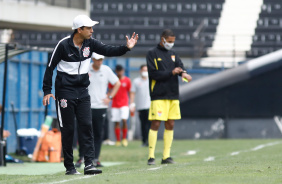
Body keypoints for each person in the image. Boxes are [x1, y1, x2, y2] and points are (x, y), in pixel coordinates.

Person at [42, 15, 138, 175]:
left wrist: (126, 48)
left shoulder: (90, 43)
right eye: (89, 28)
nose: (92, 31)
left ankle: (89, 164)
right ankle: (70, 167)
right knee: (68, 129)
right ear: (79, 30)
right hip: (65, 92)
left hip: (83, 92)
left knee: (87, 126)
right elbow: (50, 67)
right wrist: (47, 91)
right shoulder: (63, 45)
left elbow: (108, 50)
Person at [146, 29, 192, 165]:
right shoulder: (152, 54)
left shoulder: (173, 54)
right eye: (169, 41)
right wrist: (172, 72)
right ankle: (151, 156)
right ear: (163, 39)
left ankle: (166, 156)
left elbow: (181, 67)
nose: (171, 44)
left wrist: (184, 74)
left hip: (173, 94)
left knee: (170, 123)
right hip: (158, 95)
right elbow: (154, 74)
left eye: (173, 41)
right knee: (155, 123)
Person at [75, 53, 120, 168]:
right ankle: (82, 157)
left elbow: (117, 83)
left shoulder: (106, 70)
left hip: (100, 107)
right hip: (86, 106)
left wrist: (109, 97)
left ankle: (95, 158)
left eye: (101, 60)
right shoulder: (85, 68)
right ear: (93, 59)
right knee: (84, 132)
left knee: (98, 133)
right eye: (97, 60)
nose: (99, 62)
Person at [109, 65, 131, 147]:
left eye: (121, 71)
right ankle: (118, 140)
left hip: (124, 104)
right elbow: (110, 91)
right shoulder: (113, 81)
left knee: (124, 120)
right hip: (115, 104)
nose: (120, 72)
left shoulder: (127, 80)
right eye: (118, 71)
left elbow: (130, 92)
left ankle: (124, 138)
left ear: (123, 71)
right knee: (117, 122)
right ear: (116, 72)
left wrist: (131, 103)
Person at [130, 64, 151, 147]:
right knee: (143, 124)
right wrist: (132, 104)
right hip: (140, 106)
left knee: (149, 125)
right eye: (143, 70)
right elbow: (132, 93)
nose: (145, 72)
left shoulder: (151, 80)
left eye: (146, 70)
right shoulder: (136, 81)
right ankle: (144, 141)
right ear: (140, 71)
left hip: (150, 106)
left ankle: (150, 141)